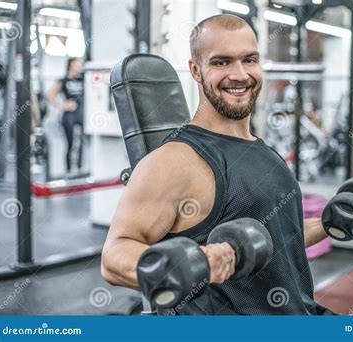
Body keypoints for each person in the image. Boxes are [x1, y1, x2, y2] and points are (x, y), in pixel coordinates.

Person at [101, 15, 334, 315]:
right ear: (196, 70)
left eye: (249, 60)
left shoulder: (262, 150)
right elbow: (114, 256)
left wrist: (328, 224)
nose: (239, 74)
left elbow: (277, 240)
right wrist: (191, 265)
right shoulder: (176, 160)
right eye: (222, 62)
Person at [46, 57, 84, 173]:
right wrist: (62, 104)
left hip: (81, 115)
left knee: (81, 143)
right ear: (71, 64)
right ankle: (68, 170)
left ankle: (78, 169)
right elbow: (49, 94)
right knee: (70, 143)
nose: (80, 66)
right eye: (78, 63)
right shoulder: (63, 80)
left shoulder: (82, 79)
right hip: (68, 116)